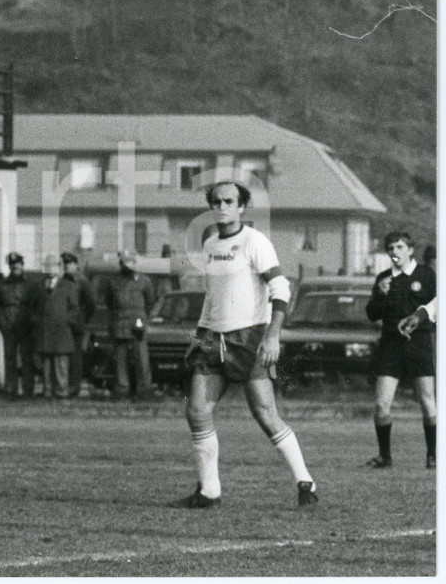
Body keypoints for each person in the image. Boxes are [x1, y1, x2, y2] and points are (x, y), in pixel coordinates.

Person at [179, 181, 317, 509]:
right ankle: (209, 490)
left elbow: (281, 289)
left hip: (249, 339)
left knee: (266, 415)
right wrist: (198, 337)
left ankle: (305, 481)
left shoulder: (255, 242)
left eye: (229, 201)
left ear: (241, 206)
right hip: (214, 340)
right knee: (196, 411)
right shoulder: (210, 244)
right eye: (216, 201)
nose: (222, 207)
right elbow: (211, 298)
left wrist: (273, 336)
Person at [364, 232, 436, 469]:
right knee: (381, 404)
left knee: (427, 402)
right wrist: (380, 294)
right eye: (391, 248)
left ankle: (433, 456)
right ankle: (385, 456)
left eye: (399, 247)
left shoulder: (426, 274)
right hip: (391, 344)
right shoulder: (384, 278)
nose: (395, 252)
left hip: (419, 342)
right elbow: (372, 313)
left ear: (410, 250)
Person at [106, 250, 156, 398]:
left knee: (141, 357)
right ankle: (122, 388)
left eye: (130, 262)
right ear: (120, 264)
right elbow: (109, 302)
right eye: (125, 263)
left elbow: (150, 301)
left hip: (137, 324)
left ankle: (144, 388)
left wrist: (141, 317)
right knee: (120, 359)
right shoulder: (113, 281)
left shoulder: (144, 281)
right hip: (120, 323)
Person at [0, 252, 38, 399]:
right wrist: (0, 320)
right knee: (10, 358)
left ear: (22, 265)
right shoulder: (2, 284)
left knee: (27, 358)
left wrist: (31, 320)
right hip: (8, 325)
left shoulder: (31, 284)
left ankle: (28, 390)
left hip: (25, 326)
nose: (15, 267)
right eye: (12, 264)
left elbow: (36, 304)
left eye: (18, 264)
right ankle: (11, 389)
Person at [36, 253, 81, 399]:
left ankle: (62, 391)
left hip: (61, 331)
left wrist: (65, 321)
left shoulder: (68, 286)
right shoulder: (40, 285)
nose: (50, 269)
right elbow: (35, 307)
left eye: (53, 265)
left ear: (59, 267)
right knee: (47, 364)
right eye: (47, 265)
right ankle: (48, 390)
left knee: (61, 363)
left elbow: (74, 308)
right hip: (45, 331)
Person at [62, 252, 96, 397]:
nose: (67, 266)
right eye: (65, 264)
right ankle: (65, 384)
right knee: (65, 355)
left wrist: (83, 318)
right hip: (64, 324)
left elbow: (91, 303)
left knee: (75, 356)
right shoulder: (62, 281)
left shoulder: (82, 281)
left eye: (70, 264)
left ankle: (74, 386)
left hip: (77, 324)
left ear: (76, 265)